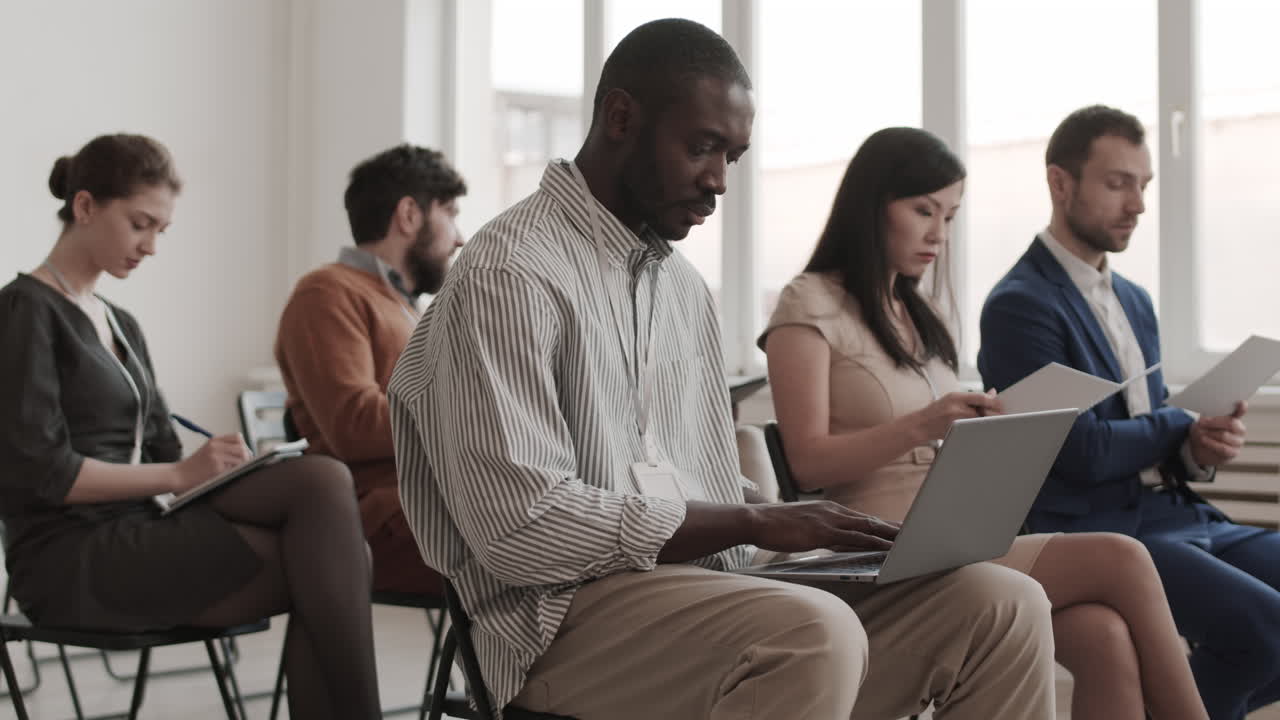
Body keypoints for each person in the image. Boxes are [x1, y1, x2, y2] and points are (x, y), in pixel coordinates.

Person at [389, 19, 1058, 720]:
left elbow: (687, 472)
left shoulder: (682, 289)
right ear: (620, 117)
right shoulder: (509, 274)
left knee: (1002, 603)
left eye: (733, 156)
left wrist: (782, 521)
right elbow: (521, 527)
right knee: (807, 633)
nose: (718, 181)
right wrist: (750, 521)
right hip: (557, 619)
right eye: (702, 147)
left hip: (708, 591)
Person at [762, 126, 1209, 719]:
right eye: (923, 210)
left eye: (949, 216)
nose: (938, 235)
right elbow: (807, 462)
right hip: (875, 546)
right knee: (1124, 559)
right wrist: (925, 425)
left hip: (953, 533)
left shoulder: (918, 316)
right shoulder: (807, 304)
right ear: (871, 205)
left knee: (1105, 637)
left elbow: (937, 430)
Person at [0, 134, 381, 719]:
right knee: (334, 561)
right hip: (70, 556)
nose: (151, 245)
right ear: (84, 207)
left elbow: (163, 450)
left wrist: (215, 468)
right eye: (139, 224)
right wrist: (179, 472)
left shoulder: (119, 322)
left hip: (143, 527)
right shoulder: (25, 310)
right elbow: (42, 472)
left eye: (162, 230)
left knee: (321, 483)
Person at [978, 104, 1280, 720]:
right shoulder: (1019, 306)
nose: (1138, 204)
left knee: (1264, 634)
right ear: (1061, 184)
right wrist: (1179, 423)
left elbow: (1144, 429)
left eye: (1142, 186)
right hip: (1100, 530)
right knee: (1267, 629)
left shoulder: (1135, 301)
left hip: (1178, 513)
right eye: (1118, 183)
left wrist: (1198, 449)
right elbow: (1082, 452)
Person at [275, 143, 465, 596]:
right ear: (408, 215)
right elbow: (354, 425)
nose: (459, 236)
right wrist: (472, 412)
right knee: (554, 551)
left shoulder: (404, 306)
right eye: (450, 213)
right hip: (377, 521)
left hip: (428, 503)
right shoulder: (327, 292)